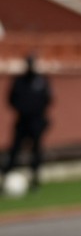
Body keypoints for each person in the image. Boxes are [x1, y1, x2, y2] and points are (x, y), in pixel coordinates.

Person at [3, 53, 53, 192]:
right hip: (22, 121)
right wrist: (23, 109)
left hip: (36, 121)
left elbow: (48, 99)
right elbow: (11, 99)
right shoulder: (19, 81)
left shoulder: (42, 81)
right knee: (14, 151)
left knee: (36, 151)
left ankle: (35, 180)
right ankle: (6, 177)